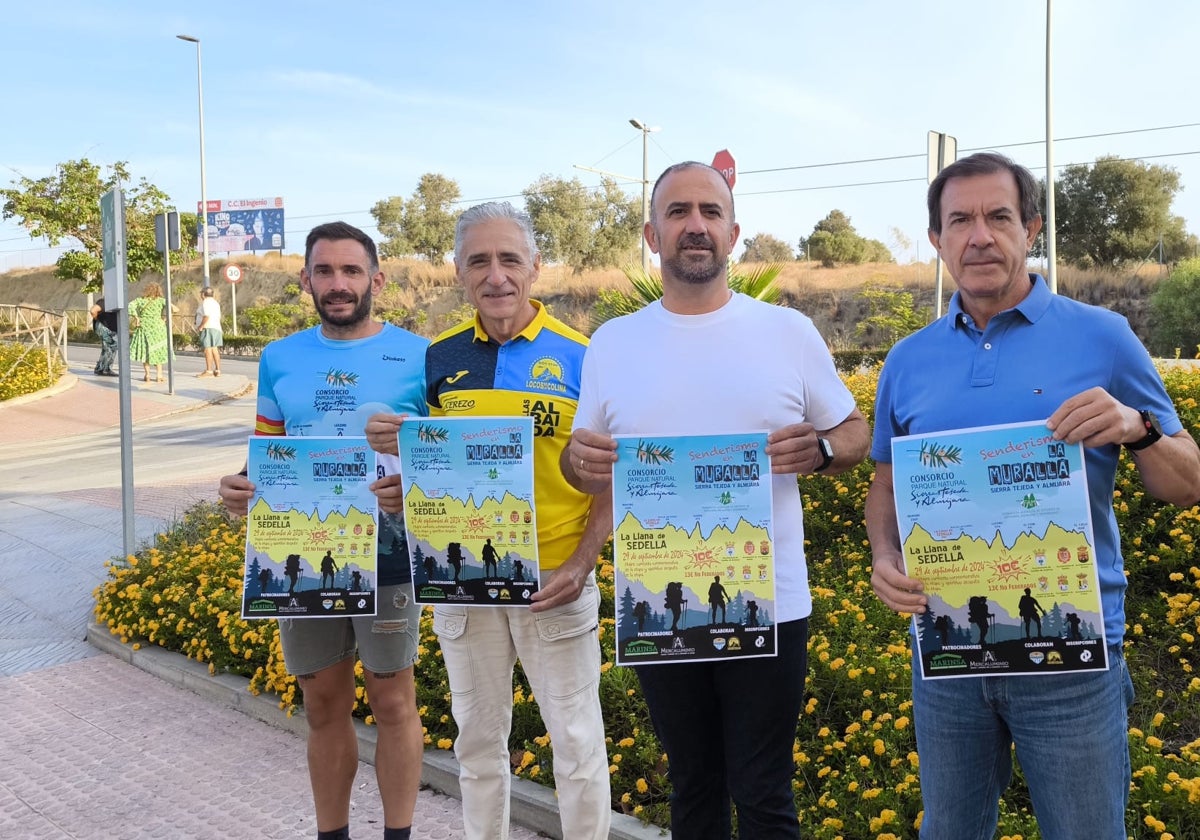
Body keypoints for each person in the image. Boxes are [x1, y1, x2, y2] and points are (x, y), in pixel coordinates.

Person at [864, 152, 1200, 840]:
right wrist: (883, 555)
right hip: (947, 654)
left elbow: (1187, 484)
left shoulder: (1102, 336)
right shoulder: (908, 359)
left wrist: (1137, 431)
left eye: (998, 216)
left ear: (1033, 228)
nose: (979, 235)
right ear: (937, 239)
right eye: (959, 220)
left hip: (1072, 662)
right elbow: (886, 485)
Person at [562, 162, 870, 840]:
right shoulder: (613, 342)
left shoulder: (787, 332)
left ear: (734, 233)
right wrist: (576, 462)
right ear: (652, 233)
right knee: (692, 785)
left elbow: (855, 433)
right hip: (659, 598)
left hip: (772, 601)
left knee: (763, 791)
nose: (694, 225)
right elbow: (588, 465)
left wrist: (818, 451)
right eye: (677, 212)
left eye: (709, 211)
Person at [366, 201, 613, 840]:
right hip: (463, 577)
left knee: (577, 742)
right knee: (477, 742)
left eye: (509, 258)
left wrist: (584, 563)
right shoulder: (439, 360)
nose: (495, 274)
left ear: (535, 267)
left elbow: (613, 478)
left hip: (555, 577)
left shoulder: (585, 357)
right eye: (479, 260)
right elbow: (431, 463)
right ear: (458, 272)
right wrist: (404, 487)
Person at [218, 221, 429, 840]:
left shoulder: (420, 355)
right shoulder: (279, 357)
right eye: (325, 271)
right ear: (306, 279)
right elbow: (268, 451)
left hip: (391, 552)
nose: (339, 285)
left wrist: (410, 472)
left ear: (377, 279)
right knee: (322, 705)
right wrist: (239, 485)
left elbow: (444, 459)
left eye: (352, 271)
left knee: (393, 704)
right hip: (301, 552)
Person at [128, 282, 168, 383]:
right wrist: (165, 318)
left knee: (145, 351)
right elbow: (175, 309)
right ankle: (159, 376)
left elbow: (129, 306)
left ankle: (147, 375)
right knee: (158, 350)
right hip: (158, 327)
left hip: (144, 326)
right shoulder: (161, 301)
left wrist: (136, 317)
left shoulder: (140, 300)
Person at [195, 286, 223, 377]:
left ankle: (209, 370)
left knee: (207, 349)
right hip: (216, 327)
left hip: (208, 328)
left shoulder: (205, 303)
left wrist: (201, 326)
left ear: (203, 294)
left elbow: (206, 316)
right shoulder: (216, 303)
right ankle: (218, 370)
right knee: (214, 349)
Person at [89, 296, 118, 376]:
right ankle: (105, 369)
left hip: (109, 328)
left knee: (108, 348)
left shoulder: (112, 303)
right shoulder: (104, 301)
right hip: (105, 328)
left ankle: (101, 368)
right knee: (111, 347)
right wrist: (96, 318)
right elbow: (93, 310)